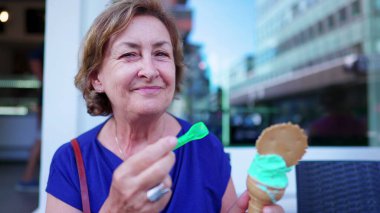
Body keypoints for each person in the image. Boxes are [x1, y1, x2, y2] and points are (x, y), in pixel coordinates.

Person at [45, 0, 284, 212]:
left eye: (161, 53)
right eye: (129, 54)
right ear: (97, 79)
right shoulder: (71, 161)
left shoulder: (204, 146)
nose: (150, 71)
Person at [16, 45, 44, 192]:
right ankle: (26, 178)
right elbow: (33, 58)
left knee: (40, 139)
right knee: (40, 139)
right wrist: (43, 79)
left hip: (43, 102)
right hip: (43, 102)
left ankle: (26, 178)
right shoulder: (43, 47)